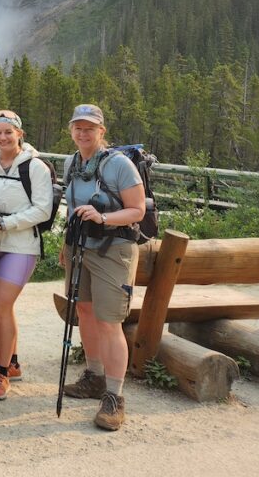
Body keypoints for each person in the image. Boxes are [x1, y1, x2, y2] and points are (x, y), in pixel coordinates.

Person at [59, 104, 145, 432]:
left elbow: (137, 210)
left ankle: (114, 395)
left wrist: (104, 218)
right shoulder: (72, 162)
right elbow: (70, 207)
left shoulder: (119, 165)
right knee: (83, 310)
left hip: (114, 250)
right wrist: (66, 246)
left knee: (110, 323)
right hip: (80, 246)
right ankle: (93, 376)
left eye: (89, 128)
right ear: (71, 131)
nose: (83, 133)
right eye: (78, 127)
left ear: (101, 132)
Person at [0, 110, 53, 401]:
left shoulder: (35, 168)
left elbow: (43, 209)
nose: (3, 137)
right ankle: (14, 362)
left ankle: (1, 373)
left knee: (0, 304)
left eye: (9, 132)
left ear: (20, 134)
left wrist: (6, 223)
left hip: (21, 245)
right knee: (1, 307)